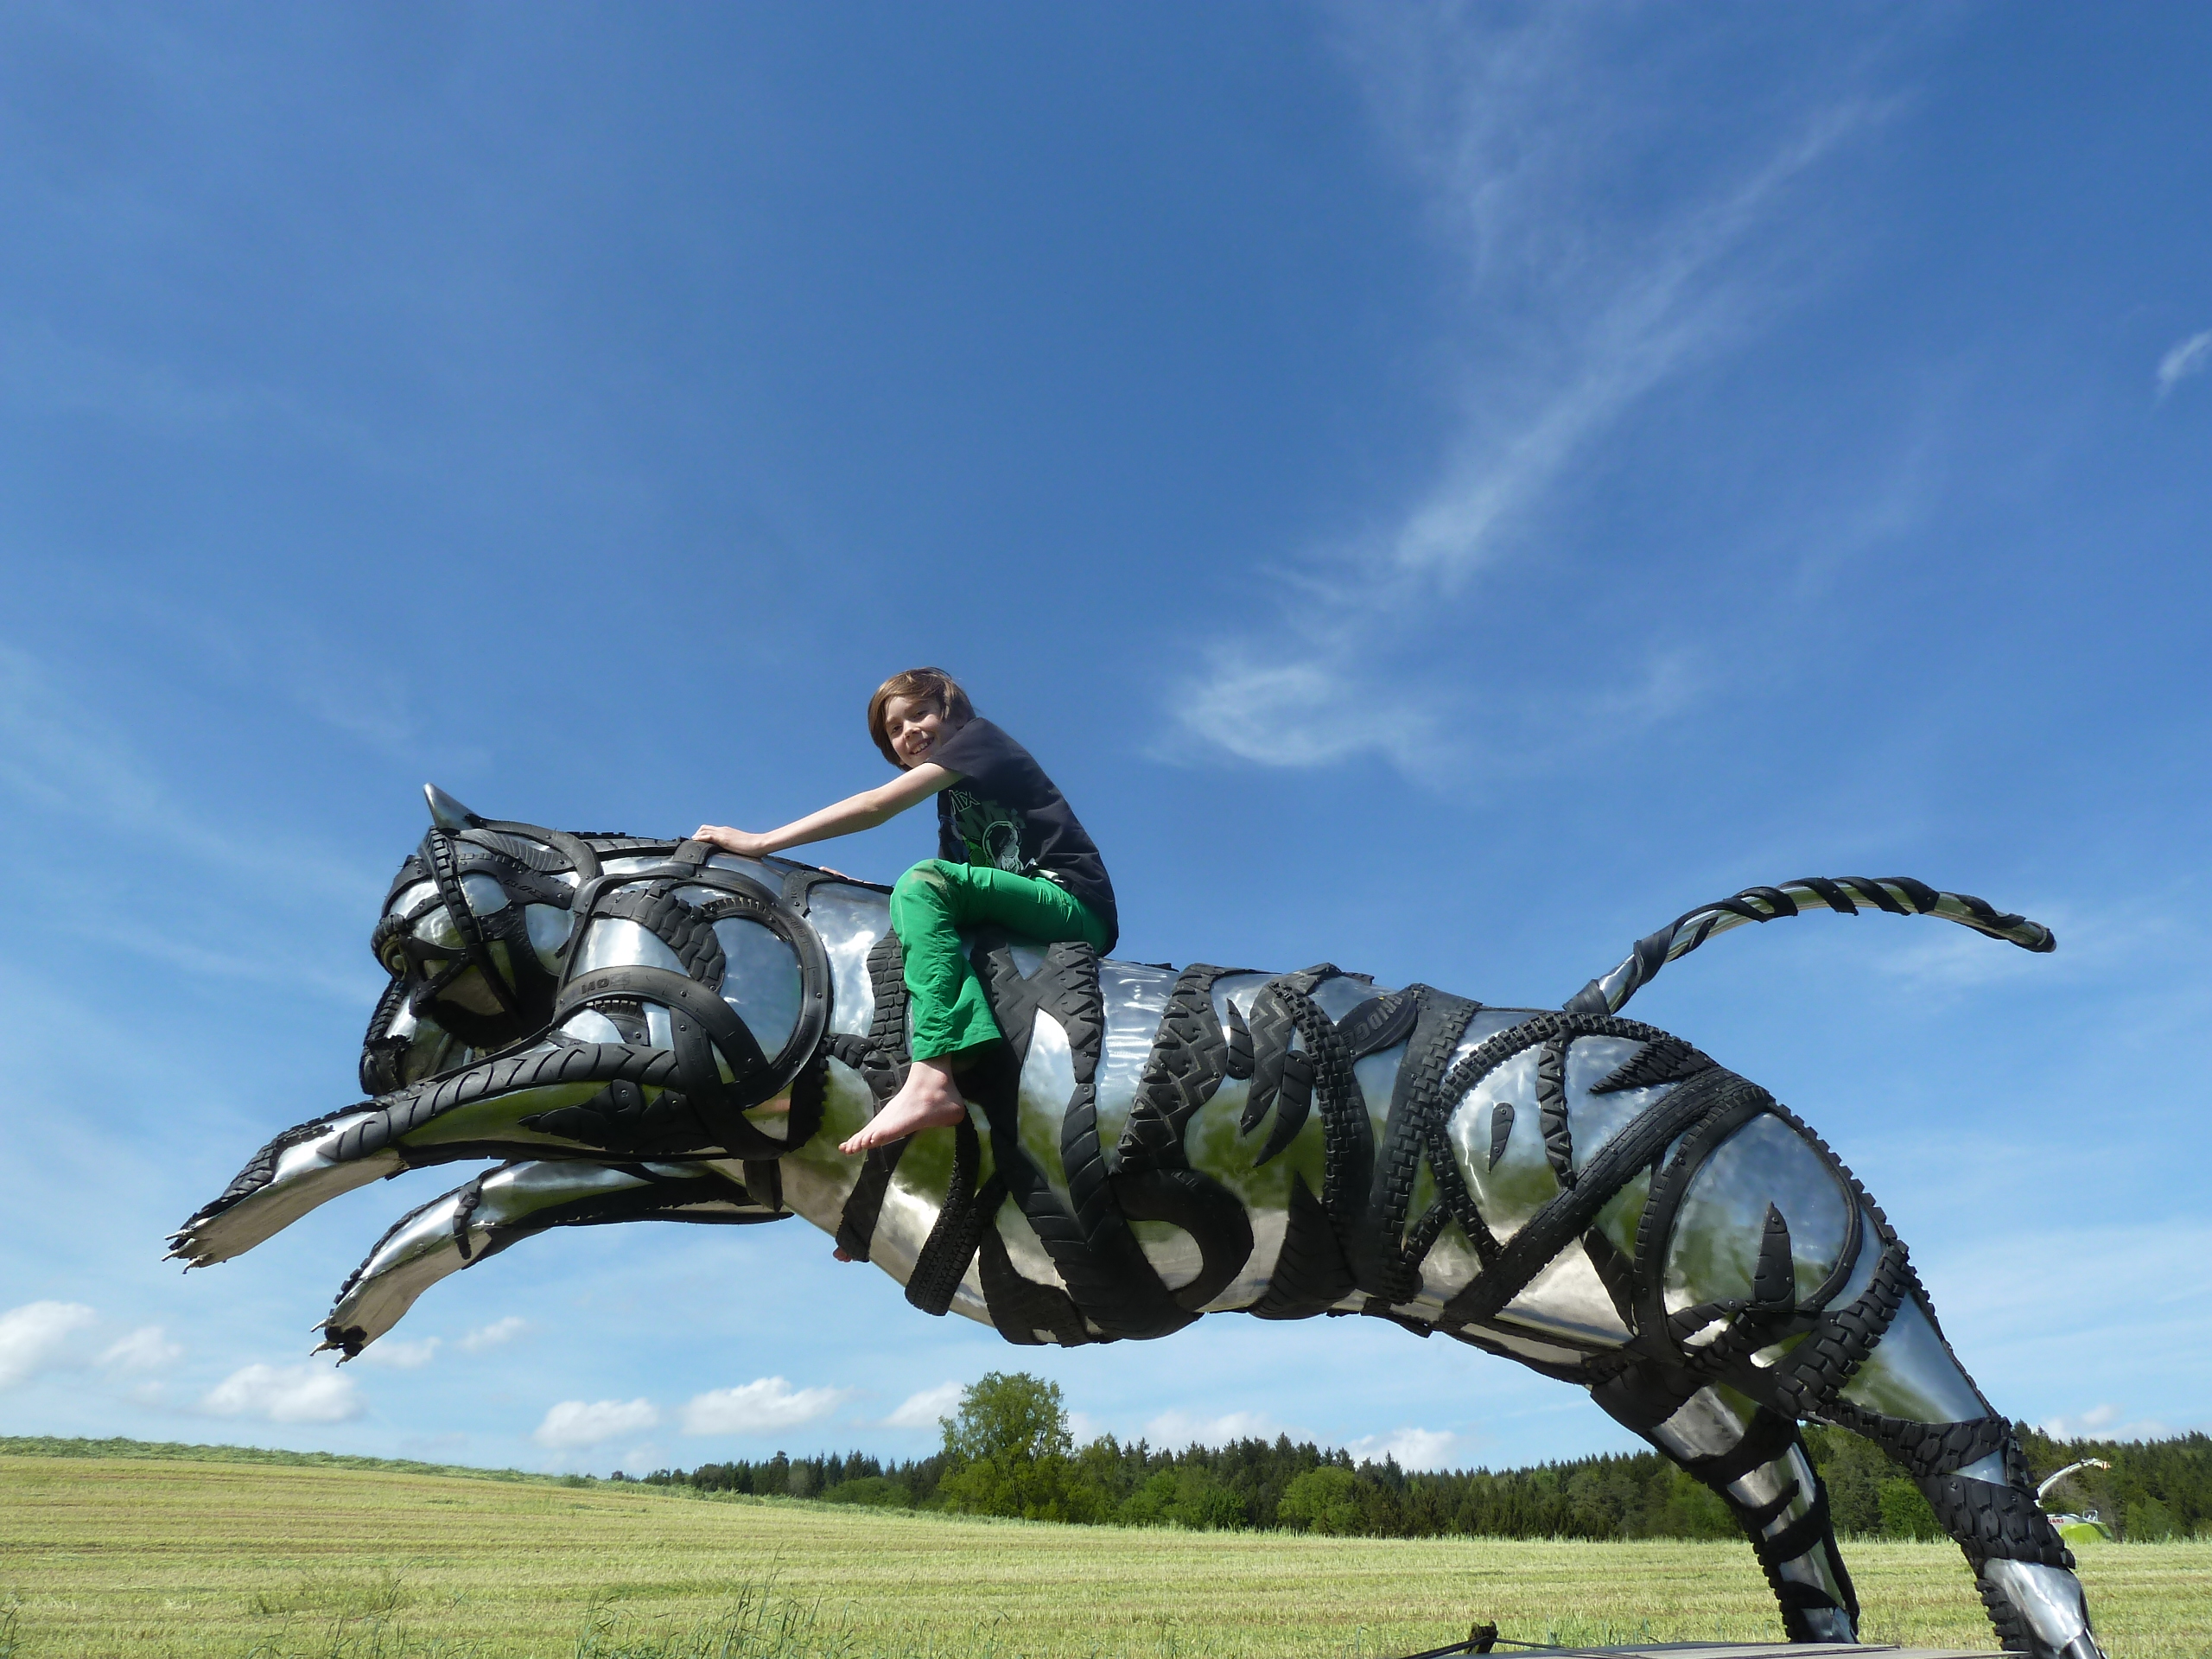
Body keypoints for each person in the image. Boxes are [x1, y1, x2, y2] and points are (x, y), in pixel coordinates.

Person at [694, 666, 1117, 1158]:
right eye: (894, 729)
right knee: (913, 898)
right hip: (1019, 909)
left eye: (920, 714)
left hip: (1070, 899)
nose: (909, 731)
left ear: (955, 717)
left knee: (923, 883)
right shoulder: (951, 805)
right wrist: (867, 893)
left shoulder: (983, 741)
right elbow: (949, 892)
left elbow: (876, 807)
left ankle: (933, 1077)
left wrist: (762, 841)